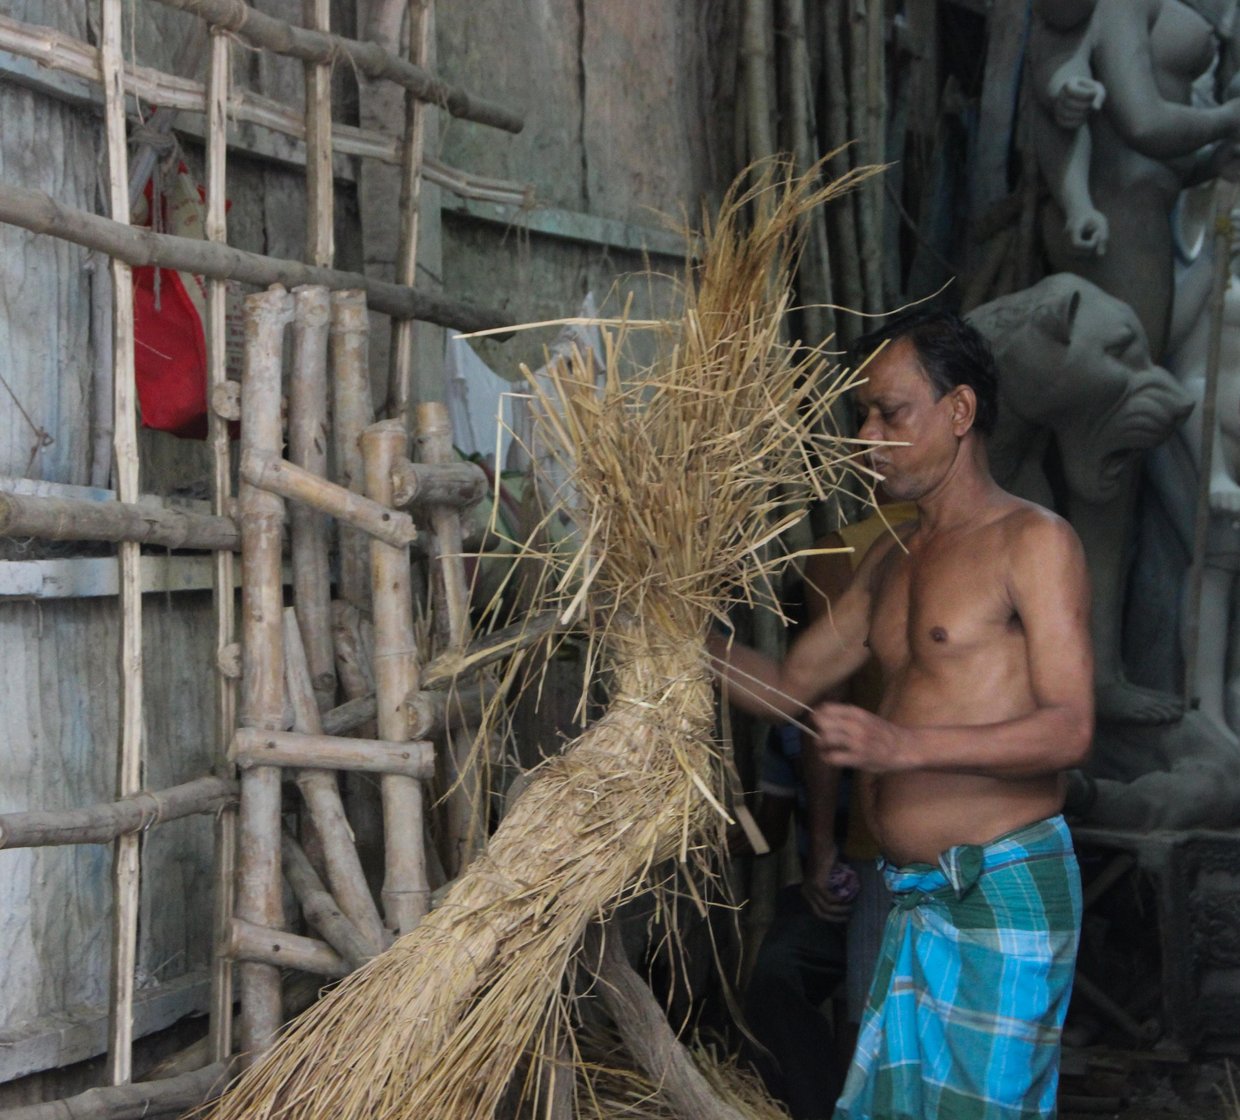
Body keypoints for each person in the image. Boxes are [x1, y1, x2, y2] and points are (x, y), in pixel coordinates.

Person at [708, 309, 1094, 1119]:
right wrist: (677, 641)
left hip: (1001, 887)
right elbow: (785, 684)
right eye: (861, 416)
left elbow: (1070, 729)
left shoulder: (1035, 541)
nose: (867, 436)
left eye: (891, 412)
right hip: (912, 896)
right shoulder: (889, 556)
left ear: (958, 413)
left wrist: (903, 744)